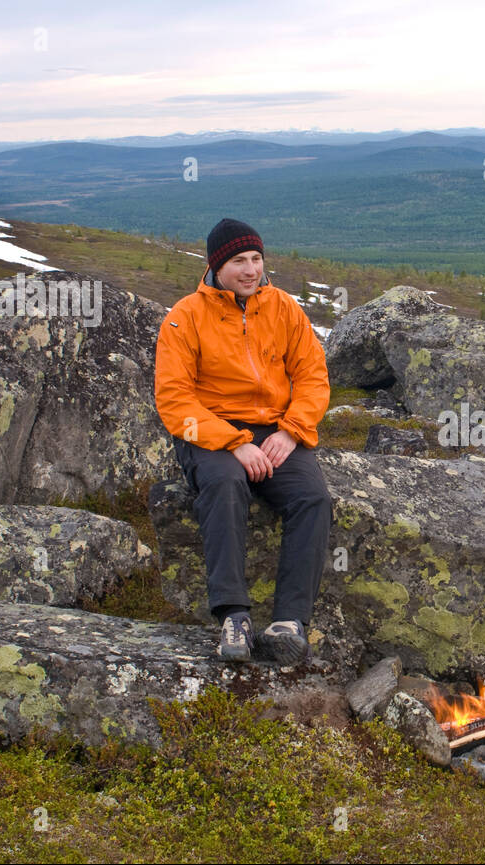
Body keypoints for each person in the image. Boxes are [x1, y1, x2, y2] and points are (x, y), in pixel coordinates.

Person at [154, 218, 332, 663]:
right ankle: (234, 616)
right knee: (225, 486)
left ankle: (290, 621)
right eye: (239, 261)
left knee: (313, 499)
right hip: (209, 431)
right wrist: (233, 443)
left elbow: (312, 375)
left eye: (256, 259)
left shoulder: (284, 308)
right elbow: (175, 400)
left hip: (276, 428)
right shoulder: (184, 317)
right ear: (217, 265)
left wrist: (292, 431)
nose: (251, 270)